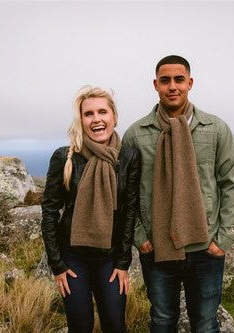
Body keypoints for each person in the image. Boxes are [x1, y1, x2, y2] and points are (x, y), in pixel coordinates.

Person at [122, 55, 234, 333]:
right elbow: (125, 192)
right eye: (165, 81)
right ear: (156, 85)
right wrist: (141, 238)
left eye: (179, 80)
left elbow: (230, 185)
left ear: (190, 82)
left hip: (205, 248)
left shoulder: (216, 129)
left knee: (204, 324)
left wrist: (222, 240)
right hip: (157, 249)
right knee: (162, 321)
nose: (172, 86)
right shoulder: (136, 135)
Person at [41, 85, 140, 333]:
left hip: (110, 257)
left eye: (102, 112)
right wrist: (57, 265)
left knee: (115, 325)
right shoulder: (65, 156)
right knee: (80, 326)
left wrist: (123, 262)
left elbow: (130, 211)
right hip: (72, 258)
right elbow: (50, 211)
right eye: (88, 114)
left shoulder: (128, 157)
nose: (96, 119)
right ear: (81, 120)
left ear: (114, 117)